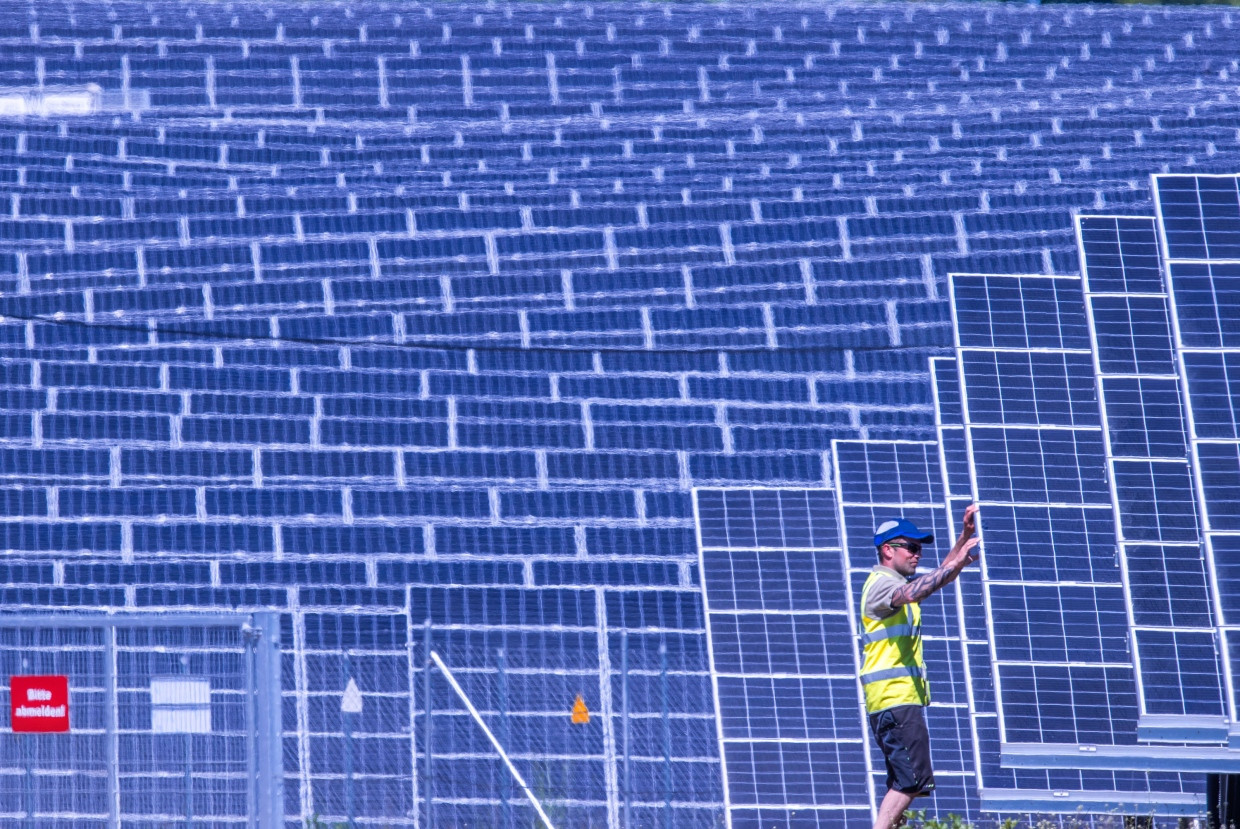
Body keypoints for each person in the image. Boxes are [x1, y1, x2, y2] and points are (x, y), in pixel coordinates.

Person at [860, 504, 979, 829]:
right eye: (911, 548)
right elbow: (920, 587)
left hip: (893, 701)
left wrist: (964, 536)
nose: (917, 554)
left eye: (919, 548)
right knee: (911, 780)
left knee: (904, 779)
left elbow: (935, 578)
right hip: (894, 700)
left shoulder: (896, 584)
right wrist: (955, 563)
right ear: (888, 549)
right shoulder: (882, 585)